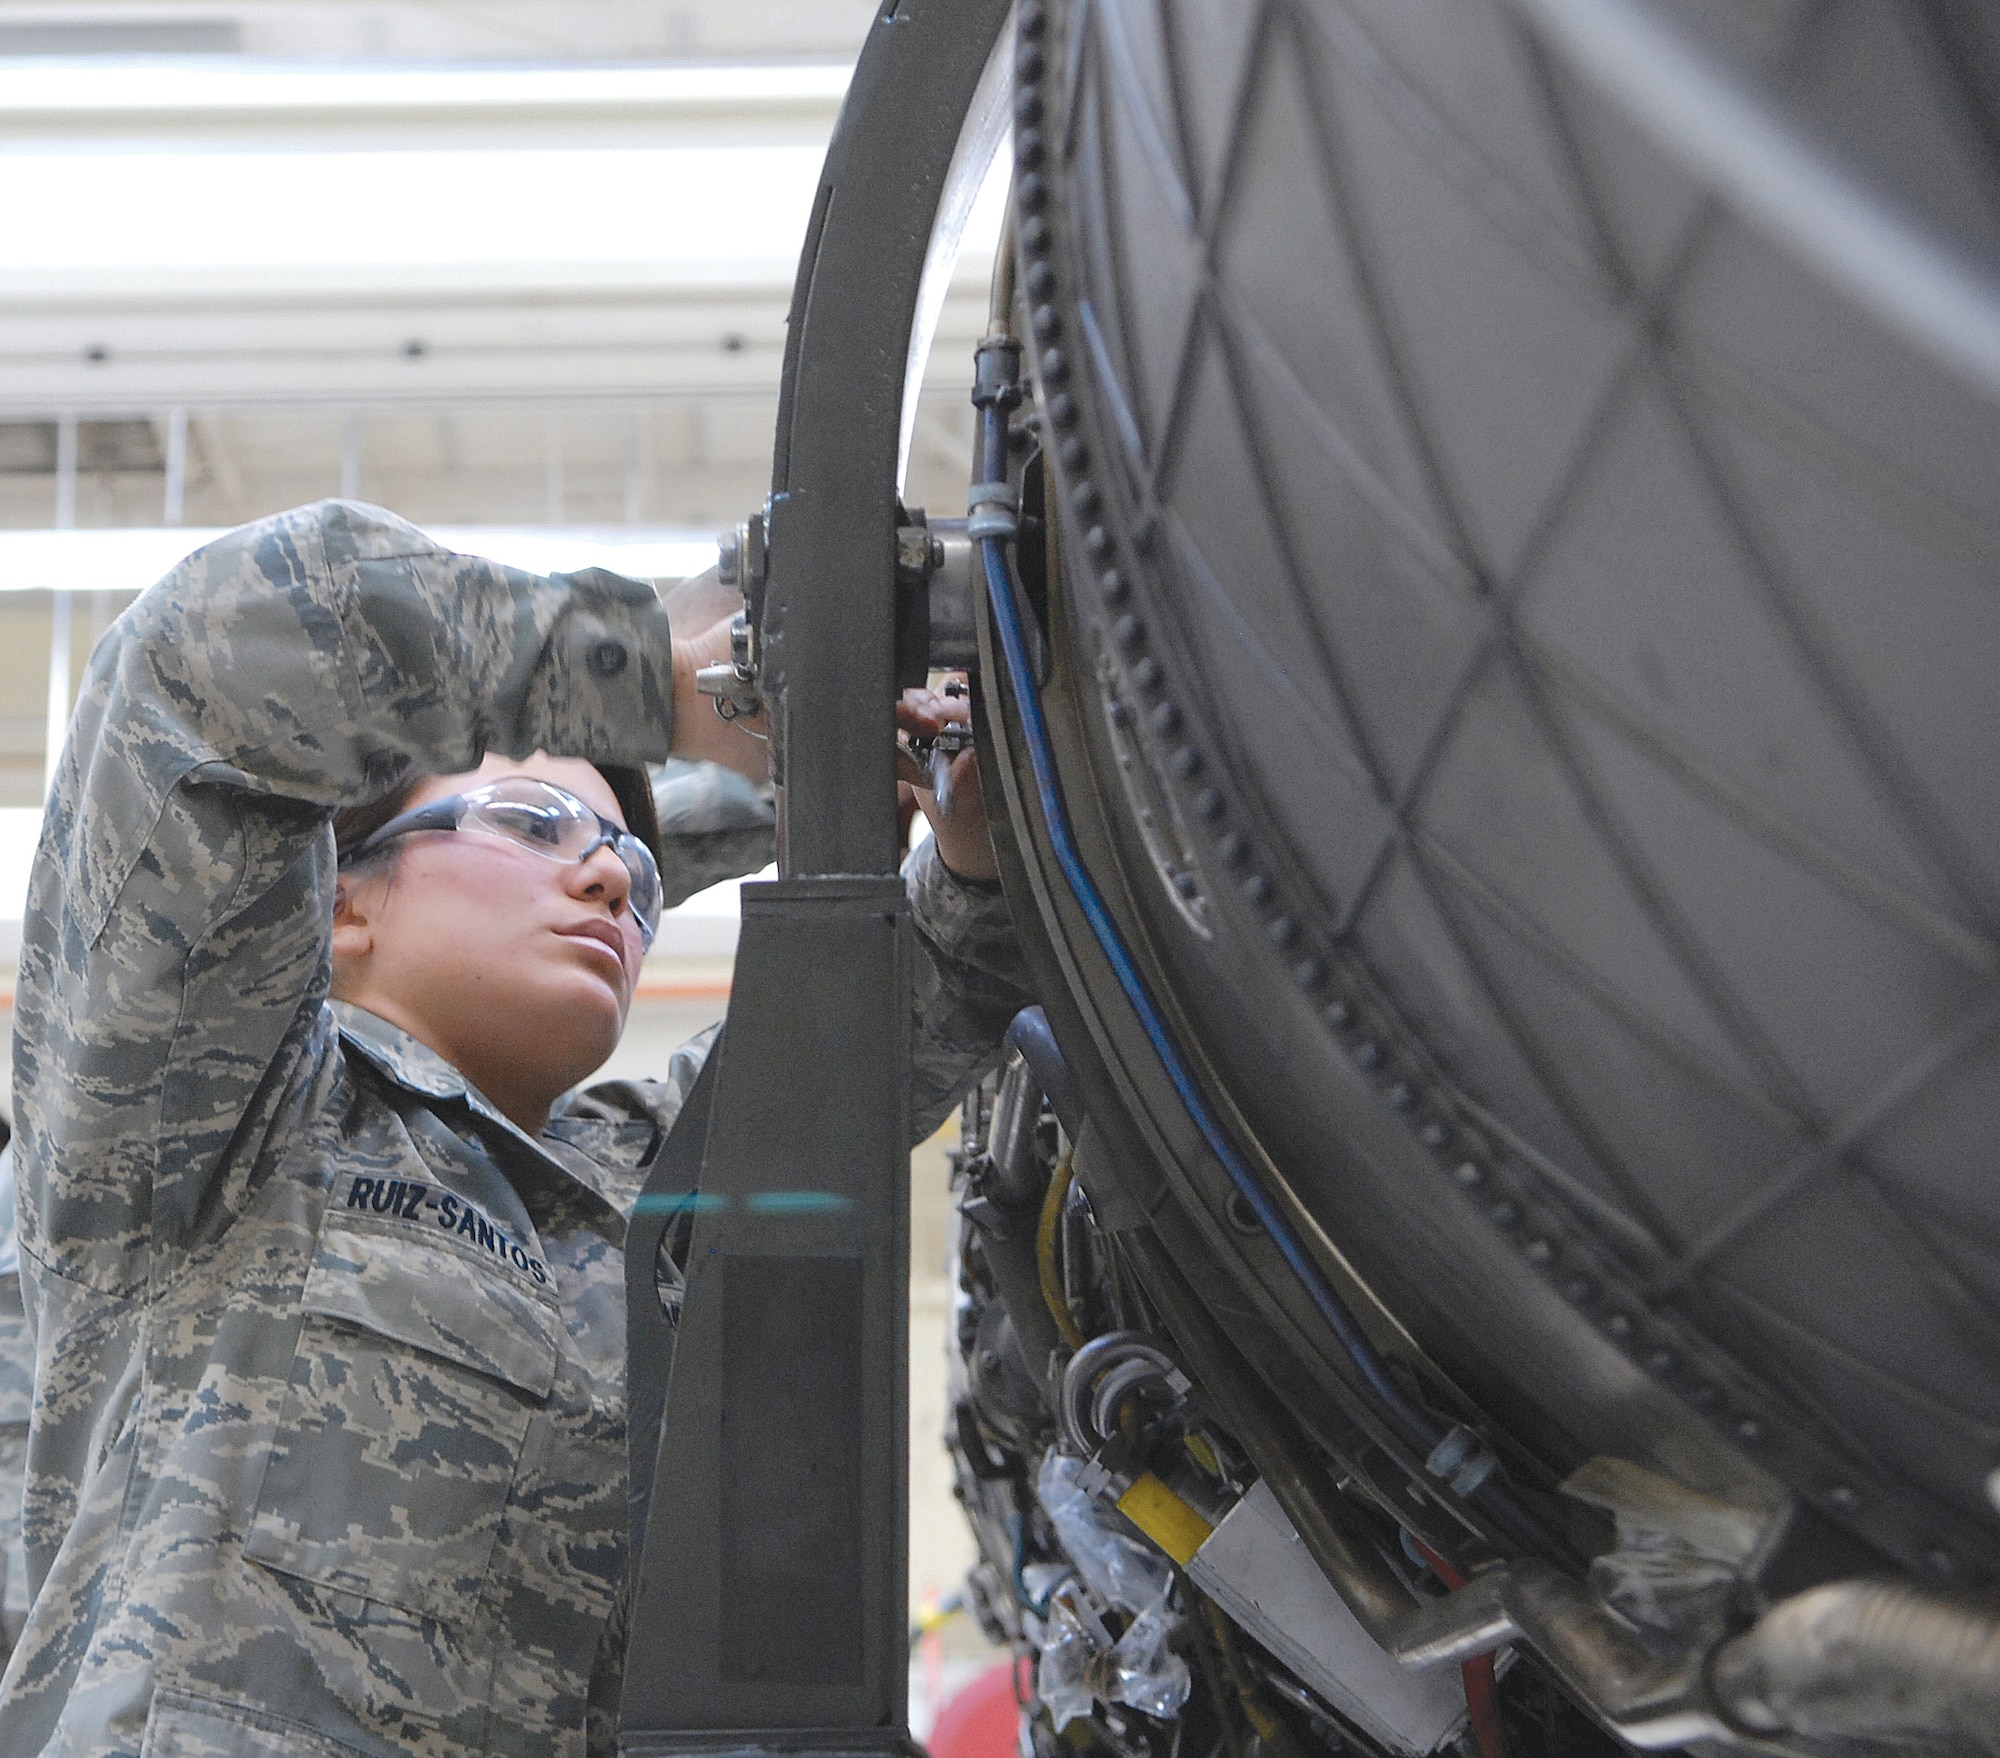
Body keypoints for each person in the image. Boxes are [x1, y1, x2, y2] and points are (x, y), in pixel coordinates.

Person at [0, 499, 1027, 1758]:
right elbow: (213, 658)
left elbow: (884, 1037)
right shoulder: (216, 1116)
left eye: (633, 875)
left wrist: (968, 845)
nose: (607, 881)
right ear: (337, 905)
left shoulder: (637, 1183)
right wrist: (645, 674)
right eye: (533, 828)